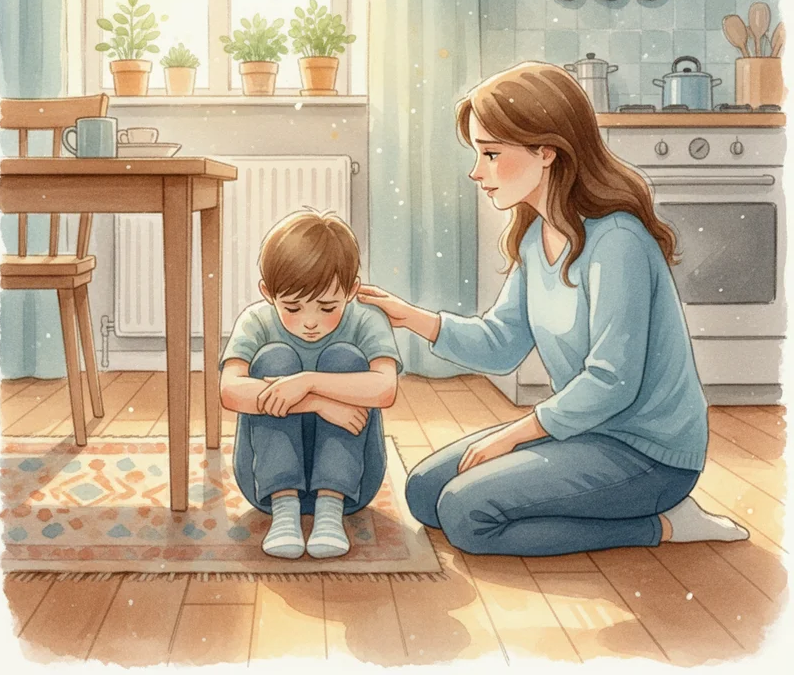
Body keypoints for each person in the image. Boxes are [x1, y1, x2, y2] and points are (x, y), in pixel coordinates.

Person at [357, 61, 749, 557]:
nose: (477, 172)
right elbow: (501, 345)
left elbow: (612, 381)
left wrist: (515, 437)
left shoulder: (618, 241)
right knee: (424, 493)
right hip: (581, 432)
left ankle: (666, 523)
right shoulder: (534, 236)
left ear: (547, 151)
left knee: (465, 515)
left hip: (648, 453)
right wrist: (408, 315)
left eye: (492, 154)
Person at [220, 209, 402, 559]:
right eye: (292, 307)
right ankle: (285, 511)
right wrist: (318, 402)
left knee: (345, 358)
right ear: (268, 293)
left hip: (352, 485)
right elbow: (230, 390)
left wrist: (306, 383)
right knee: (273, 358)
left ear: (351, 291)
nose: (310, 323)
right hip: (264, 485)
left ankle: (329, 511)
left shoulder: (366, 319)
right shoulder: (256, 319)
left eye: (326, 306)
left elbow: (385, 388)